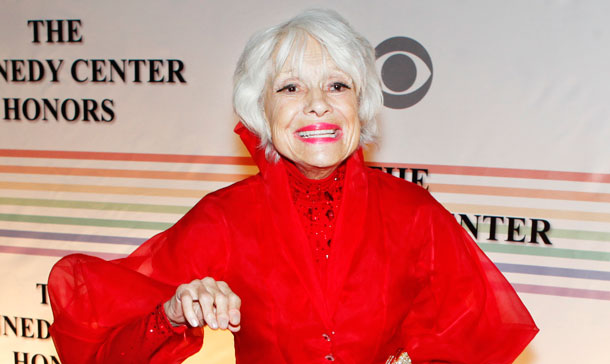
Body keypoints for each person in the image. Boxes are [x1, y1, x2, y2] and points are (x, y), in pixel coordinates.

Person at [48, 9, 538, 364]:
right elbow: (101, 352)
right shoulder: (225, 218)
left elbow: (474, 343)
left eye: (337, 85)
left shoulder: (413, 213)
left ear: (360, 104)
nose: (317, 105)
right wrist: (174, 311)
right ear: (261, 111)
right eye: (290, 88)